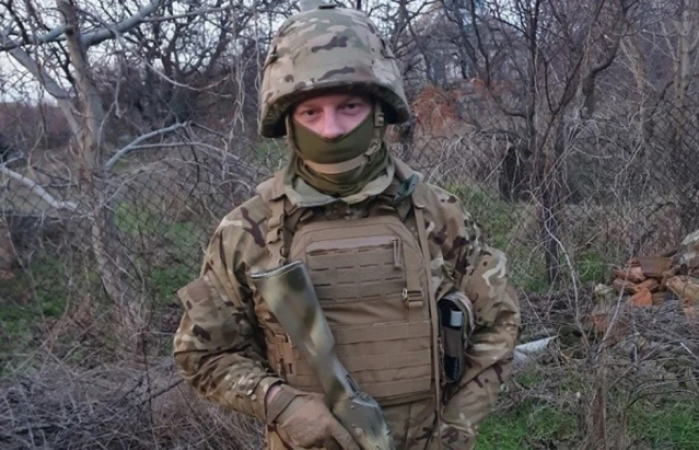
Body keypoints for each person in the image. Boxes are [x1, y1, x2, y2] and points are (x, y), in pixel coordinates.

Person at [173, 3, 520, 450]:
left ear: (379, 110)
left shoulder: (438, 214)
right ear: (287, 121)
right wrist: (279, 403)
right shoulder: (247, 230)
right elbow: (204, 353)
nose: (331, 129)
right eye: (311, 112)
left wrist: (455, 431)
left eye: (349, 106)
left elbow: (498, 322)